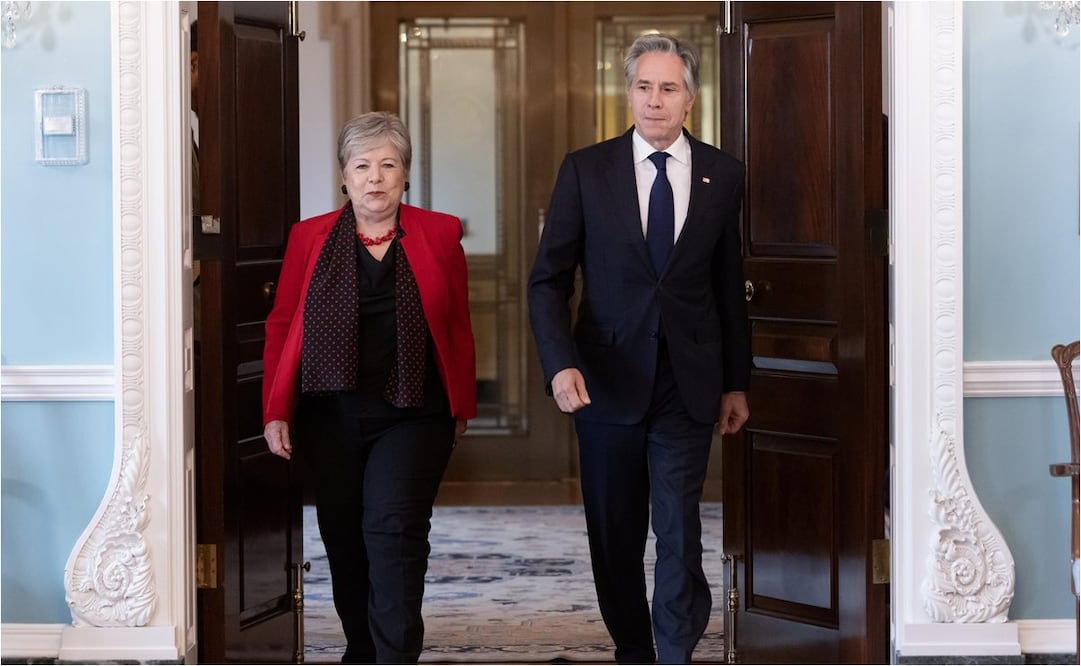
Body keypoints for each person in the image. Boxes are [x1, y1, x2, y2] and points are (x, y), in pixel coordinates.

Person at [527, 33, 751, 664]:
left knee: (679, 527)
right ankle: (635, 649)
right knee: (615, 533)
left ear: (691, 98)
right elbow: (548, 279)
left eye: (669, 88)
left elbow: (728, 288)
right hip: (604, 381)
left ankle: (676, 651)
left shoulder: (722, 174)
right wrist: (559, 362)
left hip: (688, 383)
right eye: (643, 87)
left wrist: (736, 382)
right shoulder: (585, 169)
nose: (655, 100)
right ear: (628, 93)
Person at [262, 111, 477, 664]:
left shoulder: (439, 232)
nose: (375, 177)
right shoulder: (308, 237)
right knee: (344, 536)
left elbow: (456, 324)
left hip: (413, 412)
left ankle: (395, 655)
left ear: (405, 173)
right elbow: (284, 323)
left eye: (388, 164)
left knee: (394, 530)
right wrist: (275, 410)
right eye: (363, 165)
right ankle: (362, 649)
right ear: (344, 175)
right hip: (328, 415)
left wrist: (461, 405)